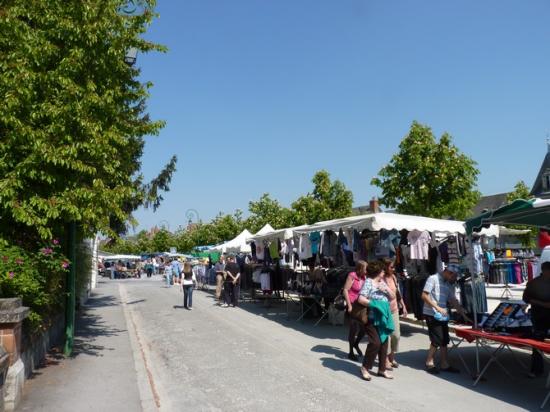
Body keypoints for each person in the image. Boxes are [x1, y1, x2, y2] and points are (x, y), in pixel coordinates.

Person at [422, 264, 468, 374]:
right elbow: (424, 295)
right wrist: (437, 307)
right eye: (454, 276)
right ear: (448, 273)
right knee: (437, 339)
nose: (454, 279)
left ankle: (444, 364)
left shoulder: (448, 284)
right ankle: (429, 362)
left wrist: (463, 314)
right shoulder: (432, 278)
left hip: (442, 315)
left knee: (444, 340)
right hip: (432, 313)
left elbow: (453, 300)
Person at [356, 261, 395, 381]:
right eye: (383, 270)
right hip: (371, 317)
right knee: (375, 342)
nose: (384, 272)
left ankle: (382, 370)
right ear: (378, 272)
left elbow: (393, 296)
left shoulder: (382, 282)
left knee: (384, 343)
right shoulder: (369, 282)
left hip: (383, 318)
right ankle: (365, 367)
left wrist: (386, 290)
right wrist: (374, 304)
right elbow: (361, 298)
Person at [523, 261, 550, 377]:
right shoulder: (534, 283)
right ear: (544, 271)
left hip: (544, 314)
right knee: (537, 343)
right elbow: (526, 298)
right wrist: (542, 303)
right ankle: (536, 370)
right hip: (539, 316)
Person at [382, 258, 407, 369]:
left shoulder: (393, 277)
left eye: (394, 267)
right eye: (391, 267)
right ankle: (386, 359)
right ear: (385, 267)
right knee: (386, 335)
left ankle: (392, 356)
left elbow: (398, 293)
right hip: (384, 310)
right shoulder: (380, 279)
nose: (393, 269)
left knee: (396, 335)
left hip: (394, 309)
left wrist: (403, 305)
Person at [342, 260, 368, 360]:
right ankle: (351, 352)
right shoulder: (352, 276)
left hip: (362, 306)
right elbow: (345, 290)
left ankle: (356, 344)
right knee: (353, 329)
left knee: (364, 328)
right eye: (365, 269)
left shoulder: (364, 278)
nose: (366, 271)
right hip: (353, 305)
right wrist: (349, 305)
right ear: (360, 268)